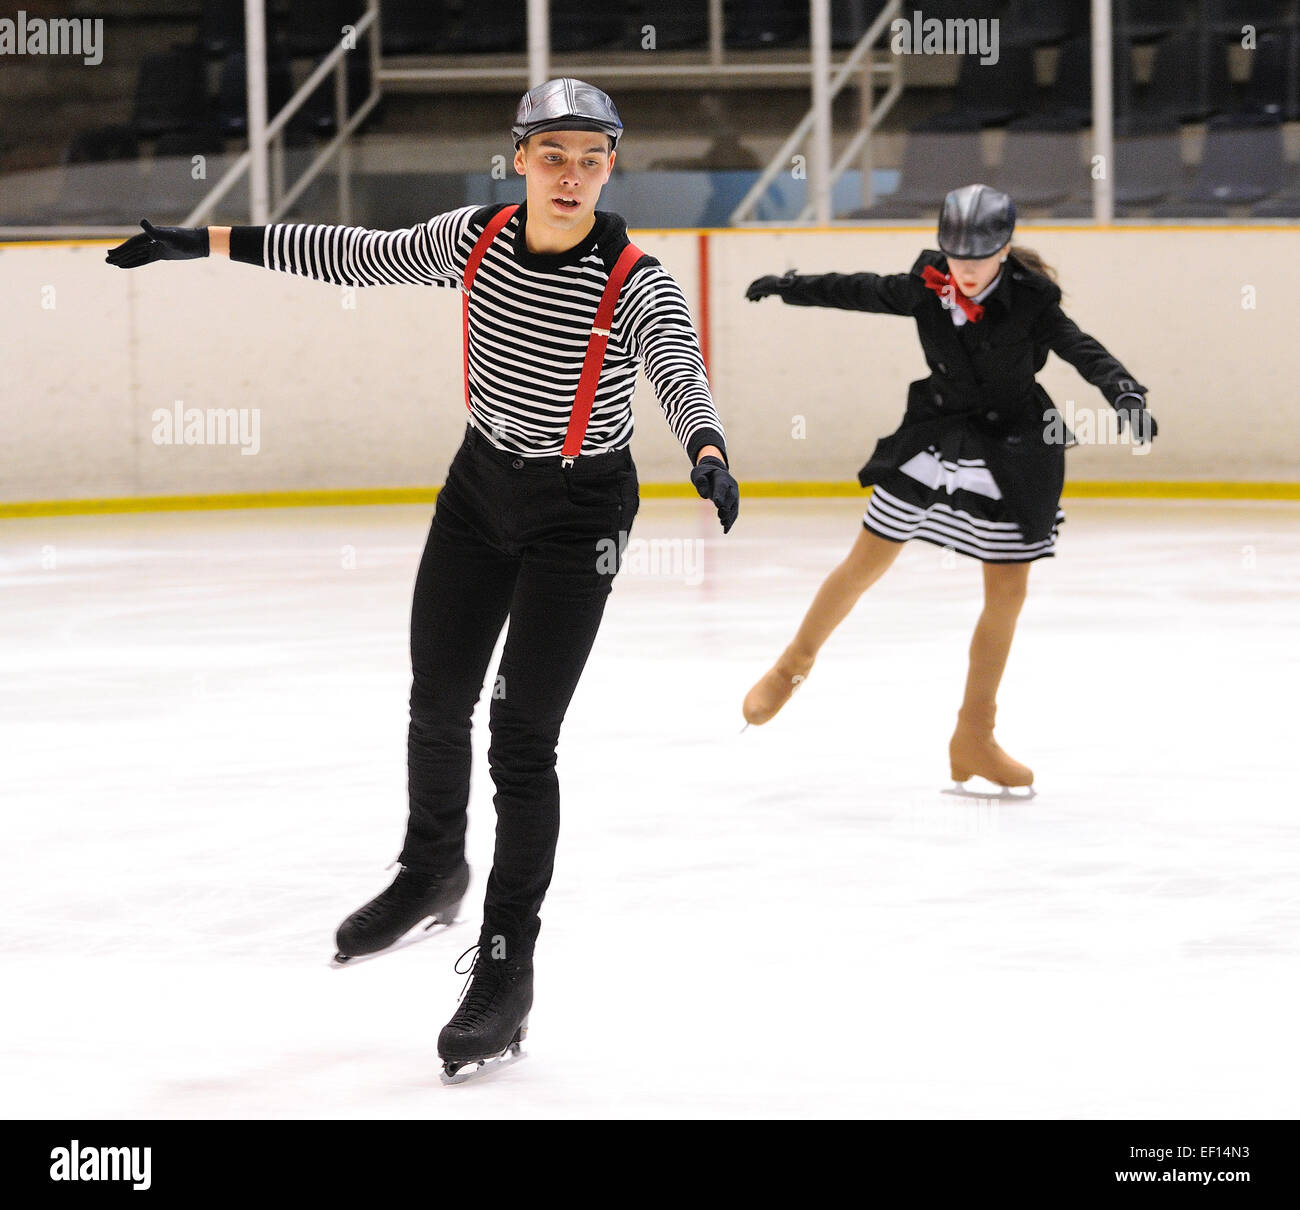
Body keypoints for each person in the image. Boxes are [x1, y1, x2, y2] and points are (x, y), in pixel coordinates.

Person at [107, 77, 739, 1076]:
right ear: (518, 157)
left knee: (521, 742)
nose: (571, 174)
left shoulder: (635, 280)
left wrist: (705, 447)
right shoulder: (472, 241)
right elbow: (353, 257)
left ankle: (503, 966)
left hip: (580, 514)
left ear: (610, 164)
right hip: (480, 487)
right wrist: (204, 242)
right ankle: (430, 867)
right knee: (436, 697)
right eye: (552, 154)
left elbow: (675, 362)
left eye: (591, 156)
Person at [742, 183, 1154, 794]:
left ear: (1004, 250)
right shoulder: (927, 284)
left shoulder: (1033, 299)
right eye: (955, 258)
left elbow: (1079, 348)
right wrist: (790, 285)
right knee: (866, 558)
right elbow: (860, 290)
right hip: (937, 432)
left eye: (978, 259)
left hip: (1015, 446)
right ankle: (792, 664)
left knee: (1008, 588)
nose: (963, 270)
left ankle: (974, 736)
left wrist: (1123, 390)